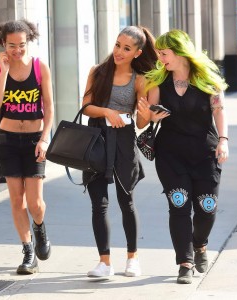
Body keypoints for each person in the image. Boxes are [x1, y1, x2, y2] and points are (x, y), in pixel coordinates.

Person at [137, 29, 229, 284]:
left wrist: (223, 141)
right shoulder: (158, 81)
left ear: (179, 53)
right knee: (179, 205)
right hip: (171, 155)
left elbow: (220, 111)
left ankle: (199, 244)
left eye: (164, 53)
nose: (160, 58)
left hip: (205, 152)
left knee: (206, 208)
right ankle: (184, 262)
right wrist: (150, 117)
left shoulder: (206, 78)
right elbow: (141, 120)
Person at [81, 25, 158, 278]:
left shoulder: (140, 80)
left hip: (124, 141)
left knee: (127, 202)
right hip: (96, 139)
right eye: (117, 45)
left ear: (137, 52)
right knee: (98, 204)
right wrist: (107, 112)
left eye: (126, 48)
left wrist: (145, 115)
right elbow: (86, 107)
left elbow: (140, 124)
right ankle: (104, 262)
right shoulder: (98, 72)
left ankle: (132, 258)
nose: (119, 52)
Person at [0, 19, 54, 275]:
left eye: (22, 45)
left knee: (35, 203)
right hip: (8, 140)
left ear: (29, 42)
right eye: (12, 45)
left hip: (34, 140)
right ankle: (28, 252)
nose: (17, 50)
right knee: (16, 200)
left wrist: (45, 138)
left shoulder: (39, 67)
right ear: (4, 44)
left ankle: (39, 227)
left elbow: (48, 106)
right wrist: (4, 71)